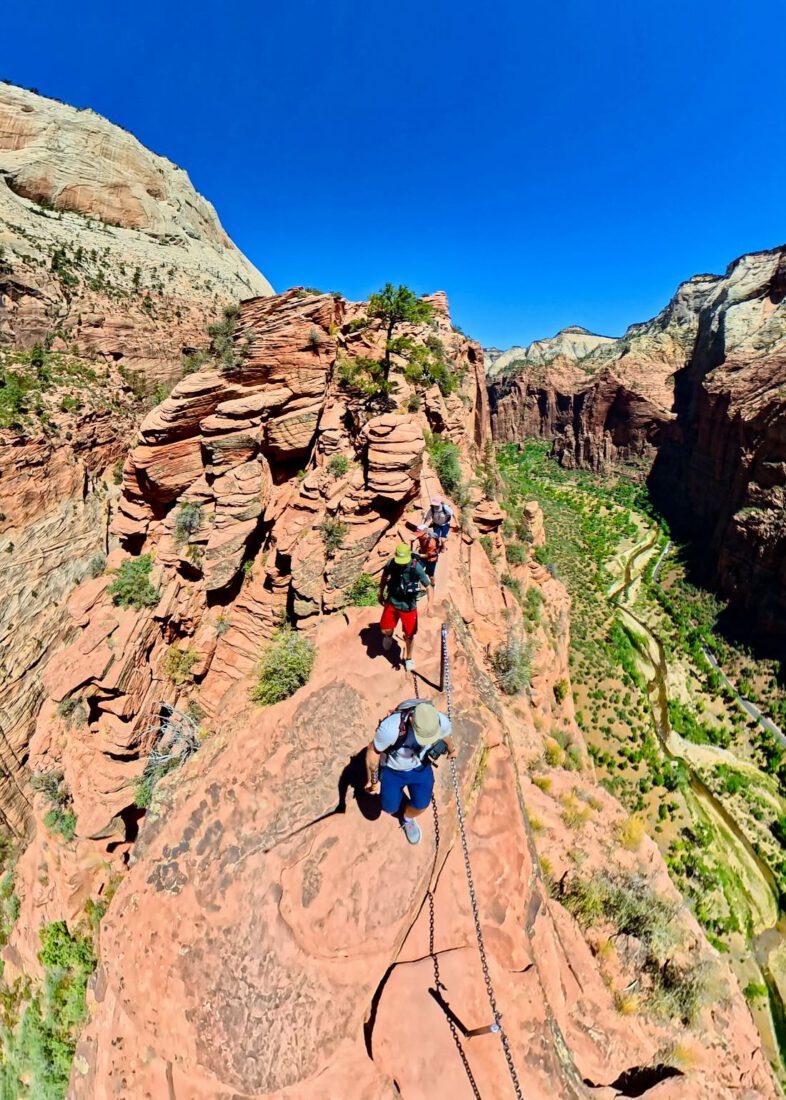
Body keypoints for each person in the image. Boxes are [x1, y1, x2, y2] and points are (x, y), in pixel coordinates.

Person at [365, 699, 455, 844]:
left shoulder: (440, 721)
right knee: (389, 808)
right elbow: (373, 751)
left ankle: (407, 819)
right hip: (392, 770)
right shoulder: (390, 728)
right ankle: (397, 802)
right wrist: (374, 781)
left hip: (420, 766)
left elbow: (445, 735)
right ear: (411, 720)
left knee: (421, 804)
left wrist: (452, 750)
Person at [378, 543, 433, 672]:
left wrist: (430, 605)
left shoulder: (416, 568)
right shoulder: (391, 564)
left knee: (409, 635)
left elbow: (429, 587)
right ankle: (388, 636)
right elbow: (384, 577)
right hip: (392, 601)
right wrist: (380, 592)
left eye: (404, 561)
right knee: (385, 629)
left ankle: (408, 658)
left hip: (409, 606)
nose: (401, 564)